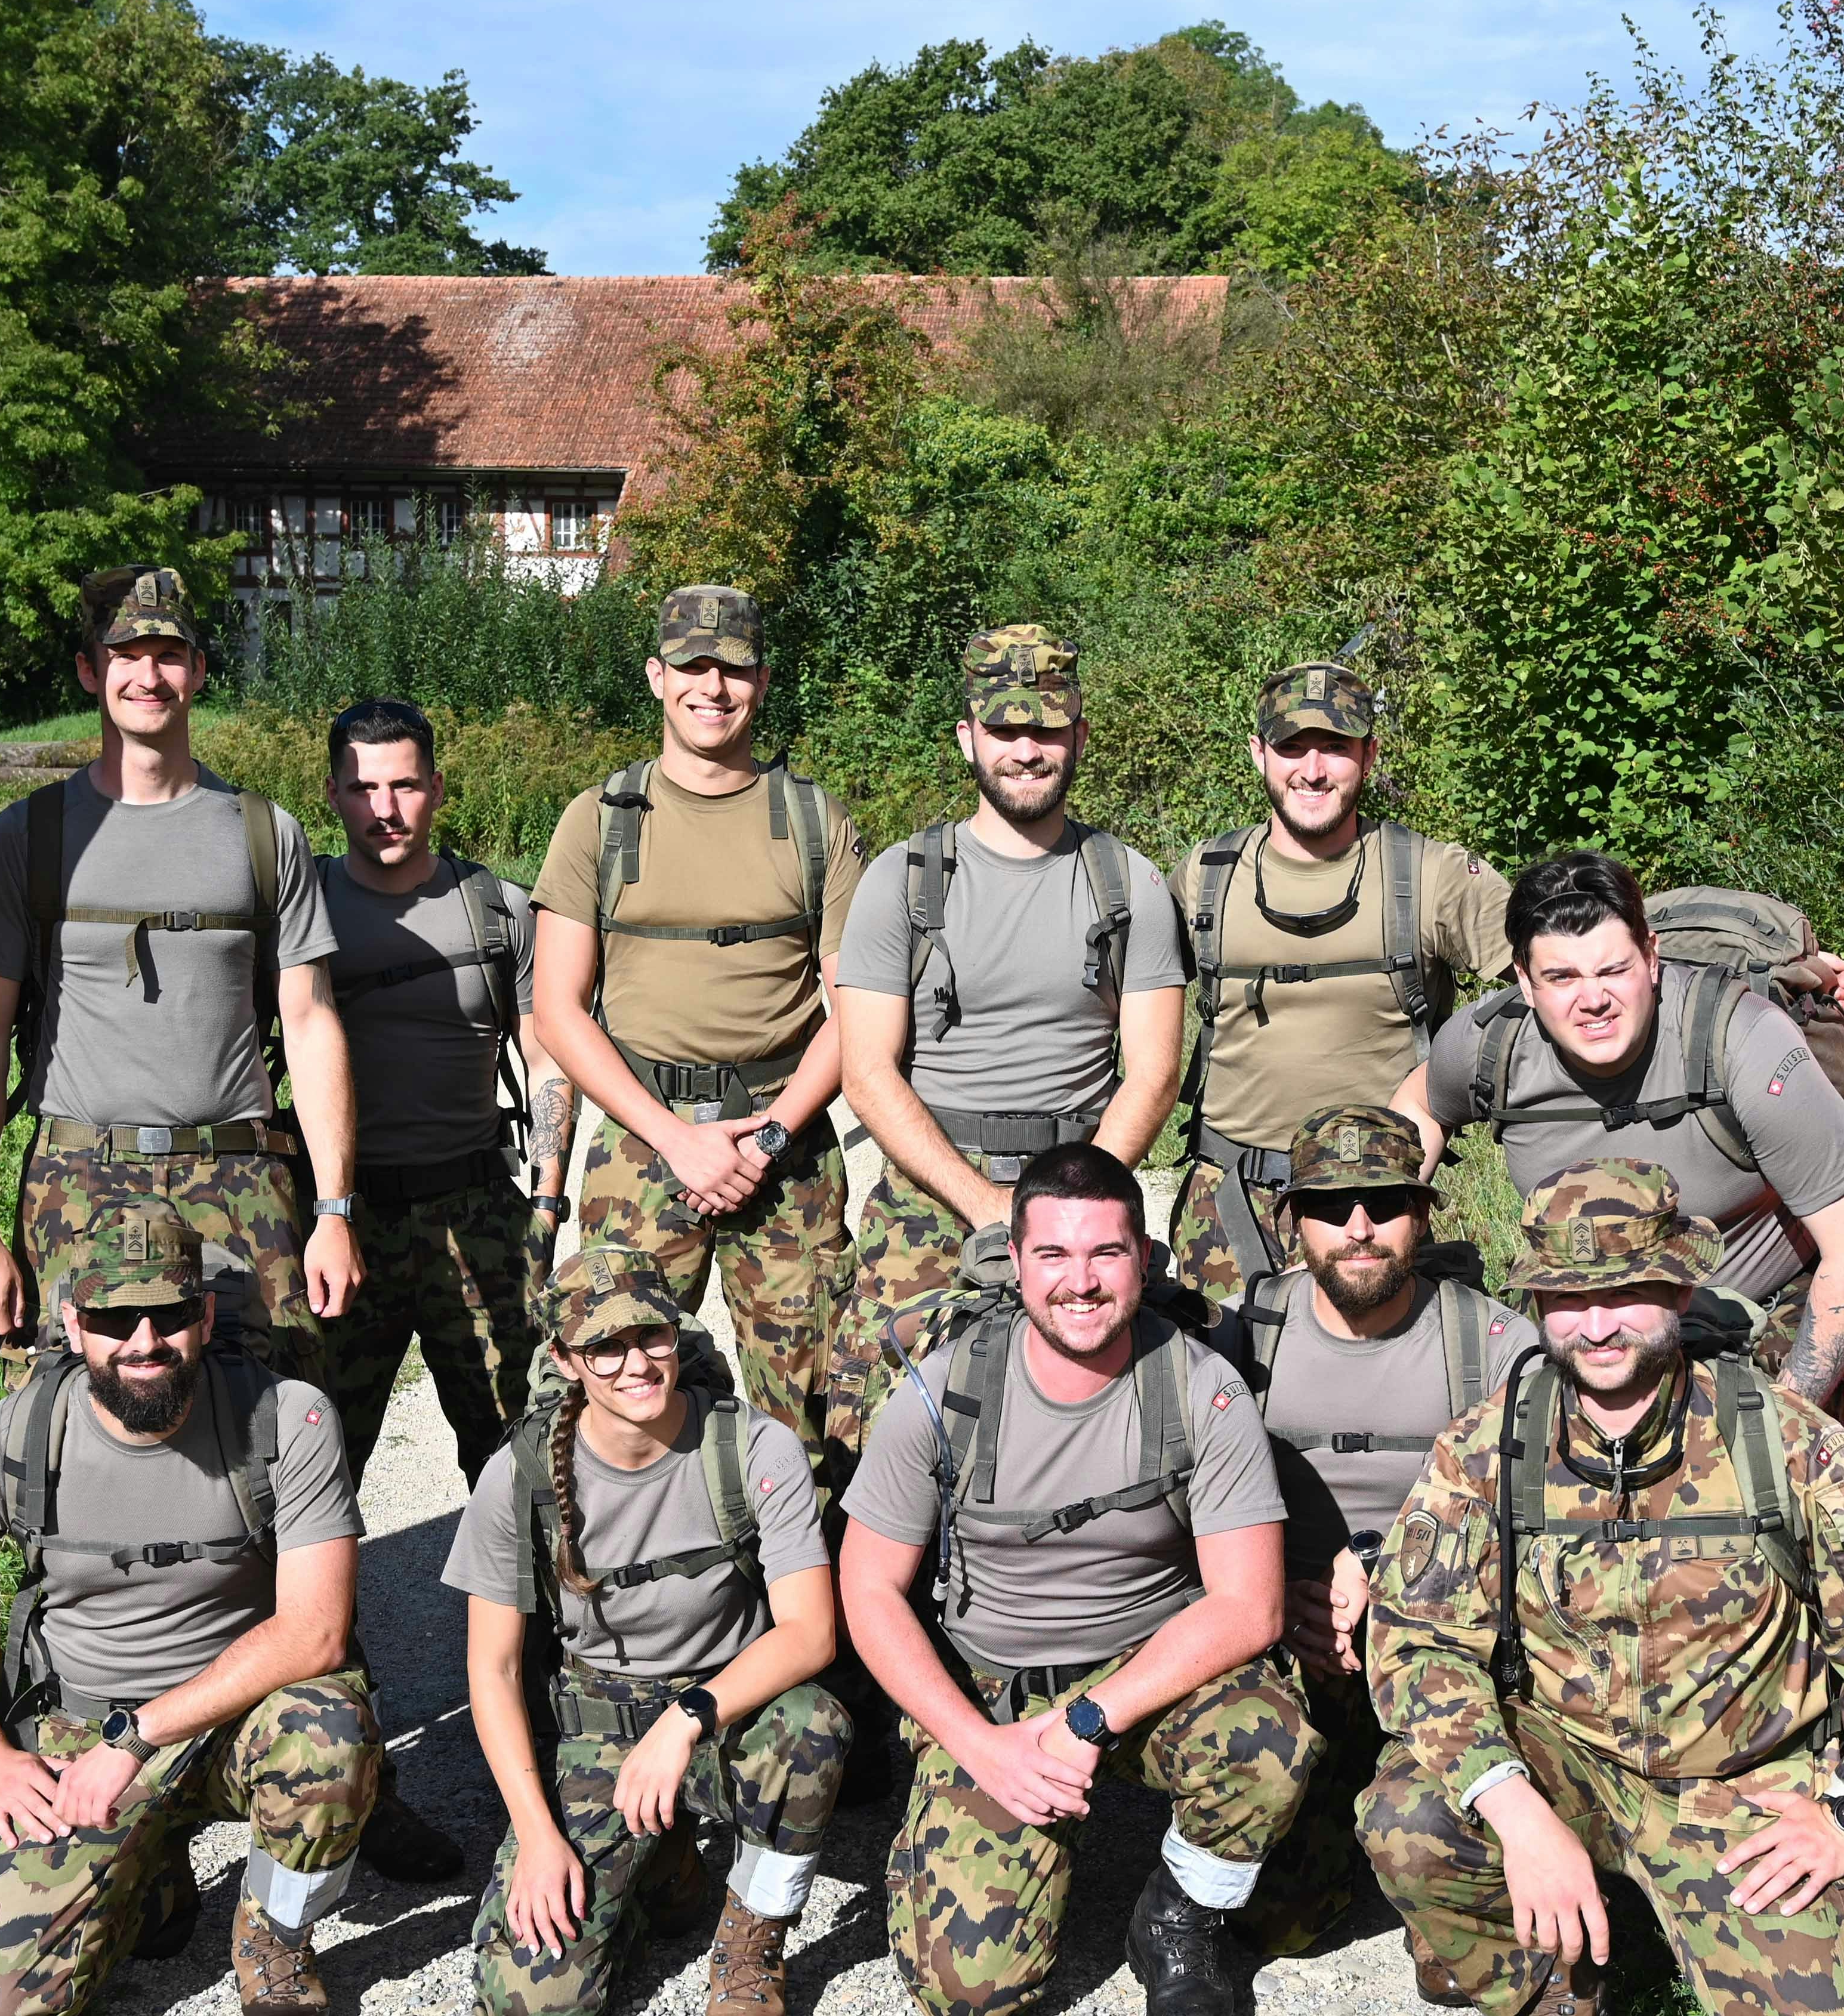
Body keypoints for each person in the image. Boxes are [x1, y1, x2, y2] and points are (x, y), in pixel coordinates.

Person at [1360, 1162, 1844, 2016]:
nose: (1597, 1324)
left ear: (1680, 1292)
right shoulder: (1487, 1449)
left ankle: (1677, 1928)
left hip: (1739, 1790)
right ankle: (1557, 1984)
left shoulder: (1778, 1440)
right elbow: (1416, 1644)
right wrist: (1518, 1815)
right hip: (1565, 1764)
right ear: (1538, 1305)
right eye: (1569, 1299)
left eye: (1627, 1293)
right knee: (1409, 1817)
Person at [0, 1203, 381, 2016]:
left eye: (170, 1315)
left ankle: (276, 1935)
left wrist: (139, 1736)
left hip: (238, 1718)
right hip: (82, 1735)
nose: (145, 1343)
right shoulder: (18, 1437)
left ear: (205, 1315)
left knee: (329, 1734)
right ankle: (154, 1877)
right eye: (114, 1318)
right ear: (74, 1325)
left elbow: (317, 1634)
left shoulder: (285, 1419)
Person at [837, 1143, 1312, 2016]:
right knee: (971, 1995)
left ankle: (1180, 1918)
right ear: (1016, 1262)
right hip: (993, 1690)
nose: (1081, 1282)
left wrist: (1087, 1722)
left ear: (1146, 1258)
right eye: (1053, 1254)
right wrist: (978, 1745)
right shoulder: (944, 1394)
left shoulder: (1200, 1390)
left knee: (1268, 1742)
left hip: (1148, 1675)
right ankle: (939, 1838)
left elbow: (1248, 1606)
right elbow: (868, 1589)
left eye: (1106, 1253)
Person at [0, 564, 362, 1380]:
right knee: (75, 1425)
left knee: (269, 1422)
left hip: (241, 1182)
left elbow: (311, 1025)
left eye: (169, 654)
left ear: (198, 670)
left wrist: (334, 1212)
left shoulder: (264, 834)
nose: (149, 674)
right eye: (125, 654)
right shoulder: (27, 839)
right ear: (88, 670)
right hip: (77, 1182)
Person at [447, 1247, 848, 2016]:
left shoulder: (751, 1446)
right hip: (597, 1725)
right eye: (605, 1347)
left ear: (676, 1332)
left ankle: (753, 1939)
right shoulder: (521, 1473)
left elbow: (810, 1632)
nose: (636, 1364)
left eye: (651, 1337)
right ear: (566, 1360)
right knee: (531, 2004)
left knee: (813, 1726)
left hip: (724, 1708)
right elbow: (492, 1670)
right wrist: (537, 1835)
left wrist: (685, 1720)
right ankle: (657, 1872)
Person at [529, 586, 864, 1463]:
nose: (713, 688)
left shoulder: (815, 822)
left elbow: (856, 1011)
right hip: (643, 1145)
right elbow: (558, 1009)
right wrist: (678, 1140)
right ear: (657, 676)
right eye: (693, 666)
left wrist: (770, 1136)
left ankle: (801, 1554)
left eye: (734, 669)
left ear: (763, 680)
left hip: (785, 1147)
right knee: (618, 1398)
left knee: (812, 1410)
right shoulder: (600, 820)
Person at [829, 626, 1185, 1449]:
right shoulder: (901, 881)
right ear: (968, 737)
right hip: (931, 1195)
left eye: (1047, 729)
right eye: (1004, 729)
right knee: (880, 1427)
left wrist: (1066, 1206)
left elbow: (1154, 1072)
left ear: (1080, 737)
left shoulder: (1130, 884)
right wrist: (989, 1205)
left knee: (1113, 1427)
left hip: (1083, 1180)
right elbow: (868, 1072)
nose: (1026, 751)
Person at [1205, 1106, 1535, 1961]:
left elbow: (1538, 1533)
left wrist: (1384, 1573)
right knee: (1278, 1924)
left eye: (1385, 1203)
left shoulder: (1495, 1346)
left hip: (1443, 1646)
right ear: (1294, 1221)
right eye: (1331, 1205)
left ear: (1423, 1214)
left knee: (1443, 1897)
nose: (1358, 1228)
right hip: (1292, 1645)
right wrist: (1276, 1598)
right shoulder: (1241, 1338)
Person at [1395, 852, 1844, 1404]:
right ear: (1525, 981)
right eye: (1561, 978)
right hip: (1578, 1308)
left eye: (1614, 971)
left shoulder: (1740, 1040)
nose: (1593, 1001)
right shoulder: (1491, 1045)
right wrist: (1383, 1226)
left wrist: (1790, 1415)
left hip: (1746, 1314)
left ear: (1652, 958)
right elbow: (1421, 1106)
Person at [1165, 662, 1512, 1305]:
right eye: (1292, 747)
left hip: (1376, 1205)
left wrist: (1450, 1089)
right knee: (1216, 1367)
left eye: (1335, 747)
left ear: (1370, 755)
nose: (1313, 769)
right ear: (1259, 753)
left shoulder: (1429, 874)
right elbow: (1119, 998)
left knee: (1384, 1370)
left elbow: (1549, 982)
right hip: (1230, 1205)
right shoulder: (1207, 876)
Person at [311, 695, 561, 1483]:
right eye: (363, 788)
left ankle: (519, 1577)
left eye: (405, 785)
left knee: (518, 1460)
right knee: (315, 1463)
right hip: (345, 1220)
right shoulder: (300, 911)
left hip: (479, 1210)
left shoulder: (498, 909)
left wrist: (547, 1204)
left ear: (439, 788)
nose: (384, 809)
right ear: (332, 793)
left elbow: (546, 1058)